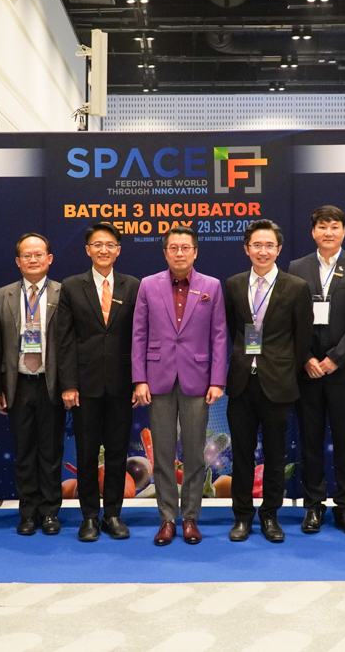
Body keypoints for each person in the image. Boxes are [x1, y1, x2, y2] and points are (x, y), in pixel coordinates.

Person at [131, 226, 228, 546]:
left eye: (186, 247)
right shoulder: (148, 285)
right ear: (165, 253)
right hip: (157, 379)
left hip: (197, 380)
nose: (180, 253)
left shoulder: (211, 286)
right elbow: (138, 334)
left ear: (195, 252)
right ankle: (167, 519)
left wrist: (217, 380)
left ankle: (190, 518)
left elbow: (219, 336)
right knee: (162, 455)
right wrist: (139, 379)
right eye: (173, 248)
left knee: (195, 455)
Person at [225, 219, 313, 542]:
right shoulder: (234, 284)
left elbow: (302, 340)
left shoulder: (296, 287)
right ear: (246, 249)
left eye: (269, 245)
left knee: (276, 456)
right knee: (241, 455)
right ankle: (242, 517)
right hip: (241, 383)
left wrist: (282, 368)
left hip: (278, 383)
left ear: (278, 249)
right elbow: (232, 329)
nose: (263, 251)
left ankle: (270, 515)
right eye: (256, 245)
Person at [287, 205, 345, 537]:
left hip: (344, 370)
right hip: (307, 371)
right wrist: (307, 358)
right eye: (322, 226)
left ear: (343, 231)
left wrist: (335, 358)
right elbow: (291, 319)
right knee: (309, 441)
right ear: (313, 232)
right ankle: (313, 505)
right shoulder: (297, 267)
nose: (328, 232)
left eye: (334, 226)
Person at [57, 223, 141, 542]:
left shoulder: (133, 286)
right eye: (97, 244)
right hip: (84, 385)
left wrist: (139, 380)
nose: (103, 250)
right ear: (88, 250)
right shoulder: (71, 286)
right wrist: (68, 384)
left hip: (122, 384)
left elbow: (140, 337)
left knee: (117, 452)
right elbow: (65, 339)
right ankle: (90, 517)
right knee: (87, 452)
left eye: (109, 245)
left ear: (118, 250)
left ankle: (113, 514)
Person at [0, 233, 66, 536]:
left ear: (49, 259)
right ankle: (27, 513)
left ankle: (49, 512)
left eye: (39, 254)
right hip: (18, 383)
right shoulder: (1, 296)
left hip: (52, 383)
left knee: (51, 452)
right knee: (24, 453)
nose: (33, 260)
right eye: (27, 255)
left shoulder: (64, 293)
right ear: (18, 261)